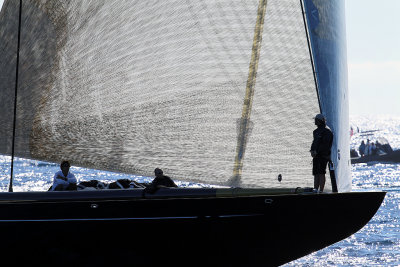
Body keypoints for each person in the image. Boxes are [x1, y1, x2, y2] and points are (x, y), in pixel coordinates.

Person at [310, 114, 333, 193]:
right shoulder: (315, 132)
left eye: (316, 120)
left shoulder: (327, 132)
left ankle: (321, 191)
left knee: (321, 173)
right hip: (316, 156)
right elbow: (314, 143)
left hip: (323, 156)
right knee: (316, 173)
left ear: (320, 121)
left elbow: (325, 145)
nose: (315, 121)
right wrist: (312, 151)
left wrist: (317, 151)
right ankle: (315, 190)